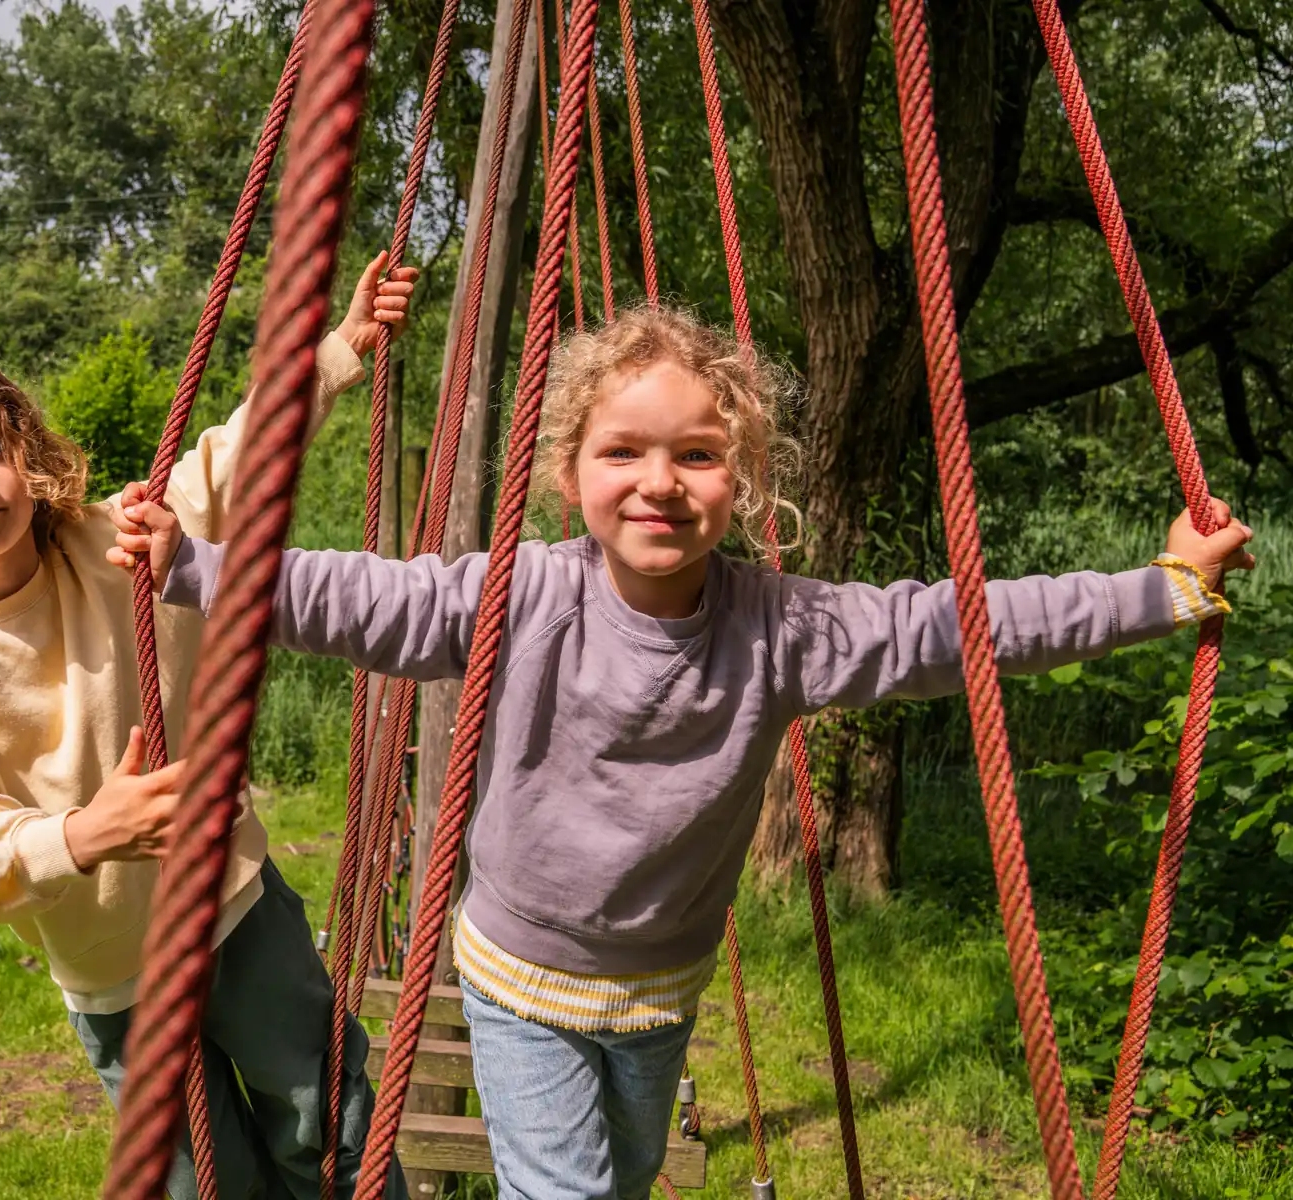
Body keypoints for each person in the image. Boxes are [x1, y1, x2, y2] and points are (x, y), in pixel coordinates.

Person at [111, 305, 1257, 1199]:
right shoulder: (520, 595)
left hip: (663, 986)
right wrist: (200, 568)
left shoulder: (786, 630)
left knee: (623, 1172)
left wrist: (1159, 591)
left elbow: (962, 626)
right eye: (623, 452)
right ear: (571, 477)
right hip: (517, 977)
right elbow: (367, 599)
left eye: (698, 455)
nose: (659, 481)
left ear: (741, 481)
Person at [0, 254, 419, 1200]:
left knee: (329, 1131)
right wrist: (86, 834)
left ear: (24, 457)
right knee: (208, 1183)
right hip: (117, 975)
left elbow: (232, 462)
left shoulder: (113, 543)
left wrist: (339, 348)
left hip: (235, 907)